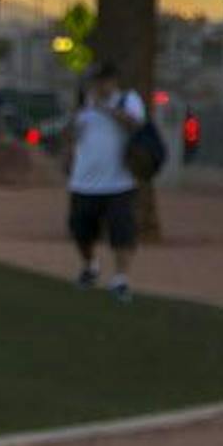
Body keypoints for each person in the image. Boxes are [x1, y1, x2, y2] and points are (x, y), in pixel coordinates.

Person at [62, 62, 145, 303]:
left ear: (113, 81)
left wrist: (105, 108)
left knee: (122, 232)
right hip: (83, 181)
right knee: (80, 230)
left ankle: (120, 278)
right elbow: (70, 134)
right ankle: (89, 266)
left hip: (119, 182)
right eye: (95, 81)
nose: (99, 86)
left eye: (103, 81)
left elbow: (135, 124)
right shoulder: (84, 105)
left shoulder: (127, 100)